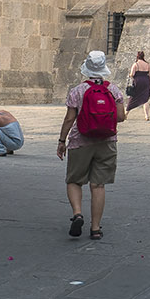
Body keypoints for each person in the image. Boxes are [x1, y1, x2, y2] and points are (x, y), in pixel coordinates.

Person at [57, 50, 127, 240]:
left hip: (81, 141)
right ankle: (95, 228)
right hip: (107, 142)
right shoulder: (113, 90)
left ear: (87, 69)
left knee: (74, 180)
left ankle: (77, 214)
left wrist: (62, 141)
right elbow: (121, 117)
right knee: (98, 185)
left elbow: (69, 118)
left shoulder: (78, 91)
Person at [126, 51, 150, 121]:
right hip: (146, 81)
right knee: (145, 99)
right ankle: (147, 116)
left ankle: (126, 114)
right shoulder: (147, 64)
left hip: (138, 81)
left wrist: (130, 75)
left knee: (133, 97)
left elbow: (132, 74)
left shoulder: (135, 64)